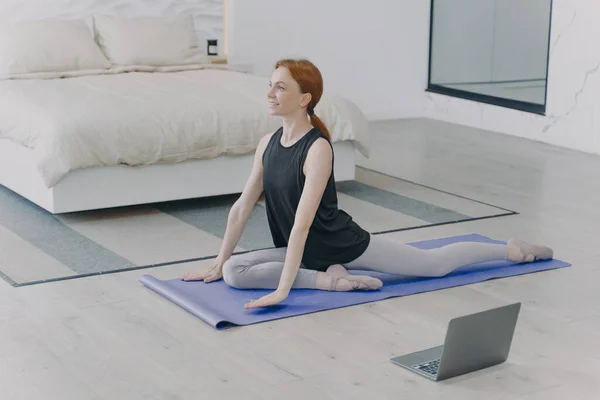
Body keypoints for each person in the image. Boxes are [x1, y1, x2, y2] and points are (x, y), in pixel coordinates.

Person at [180, 58, 553, 309]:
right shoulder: (268, 144)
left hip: (340, 243)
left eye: (280, 87)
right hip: (306, 255)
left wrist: (283, 288)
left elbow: (303, 224)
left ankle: (509, 249)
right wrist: (218, 262)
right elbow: (242, 206)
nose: (270, 94)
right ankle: (327, 280)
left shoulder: (318, 149)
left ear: (304, 98)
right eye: (270, 86)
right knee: (234, 272)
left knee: (433, 264)